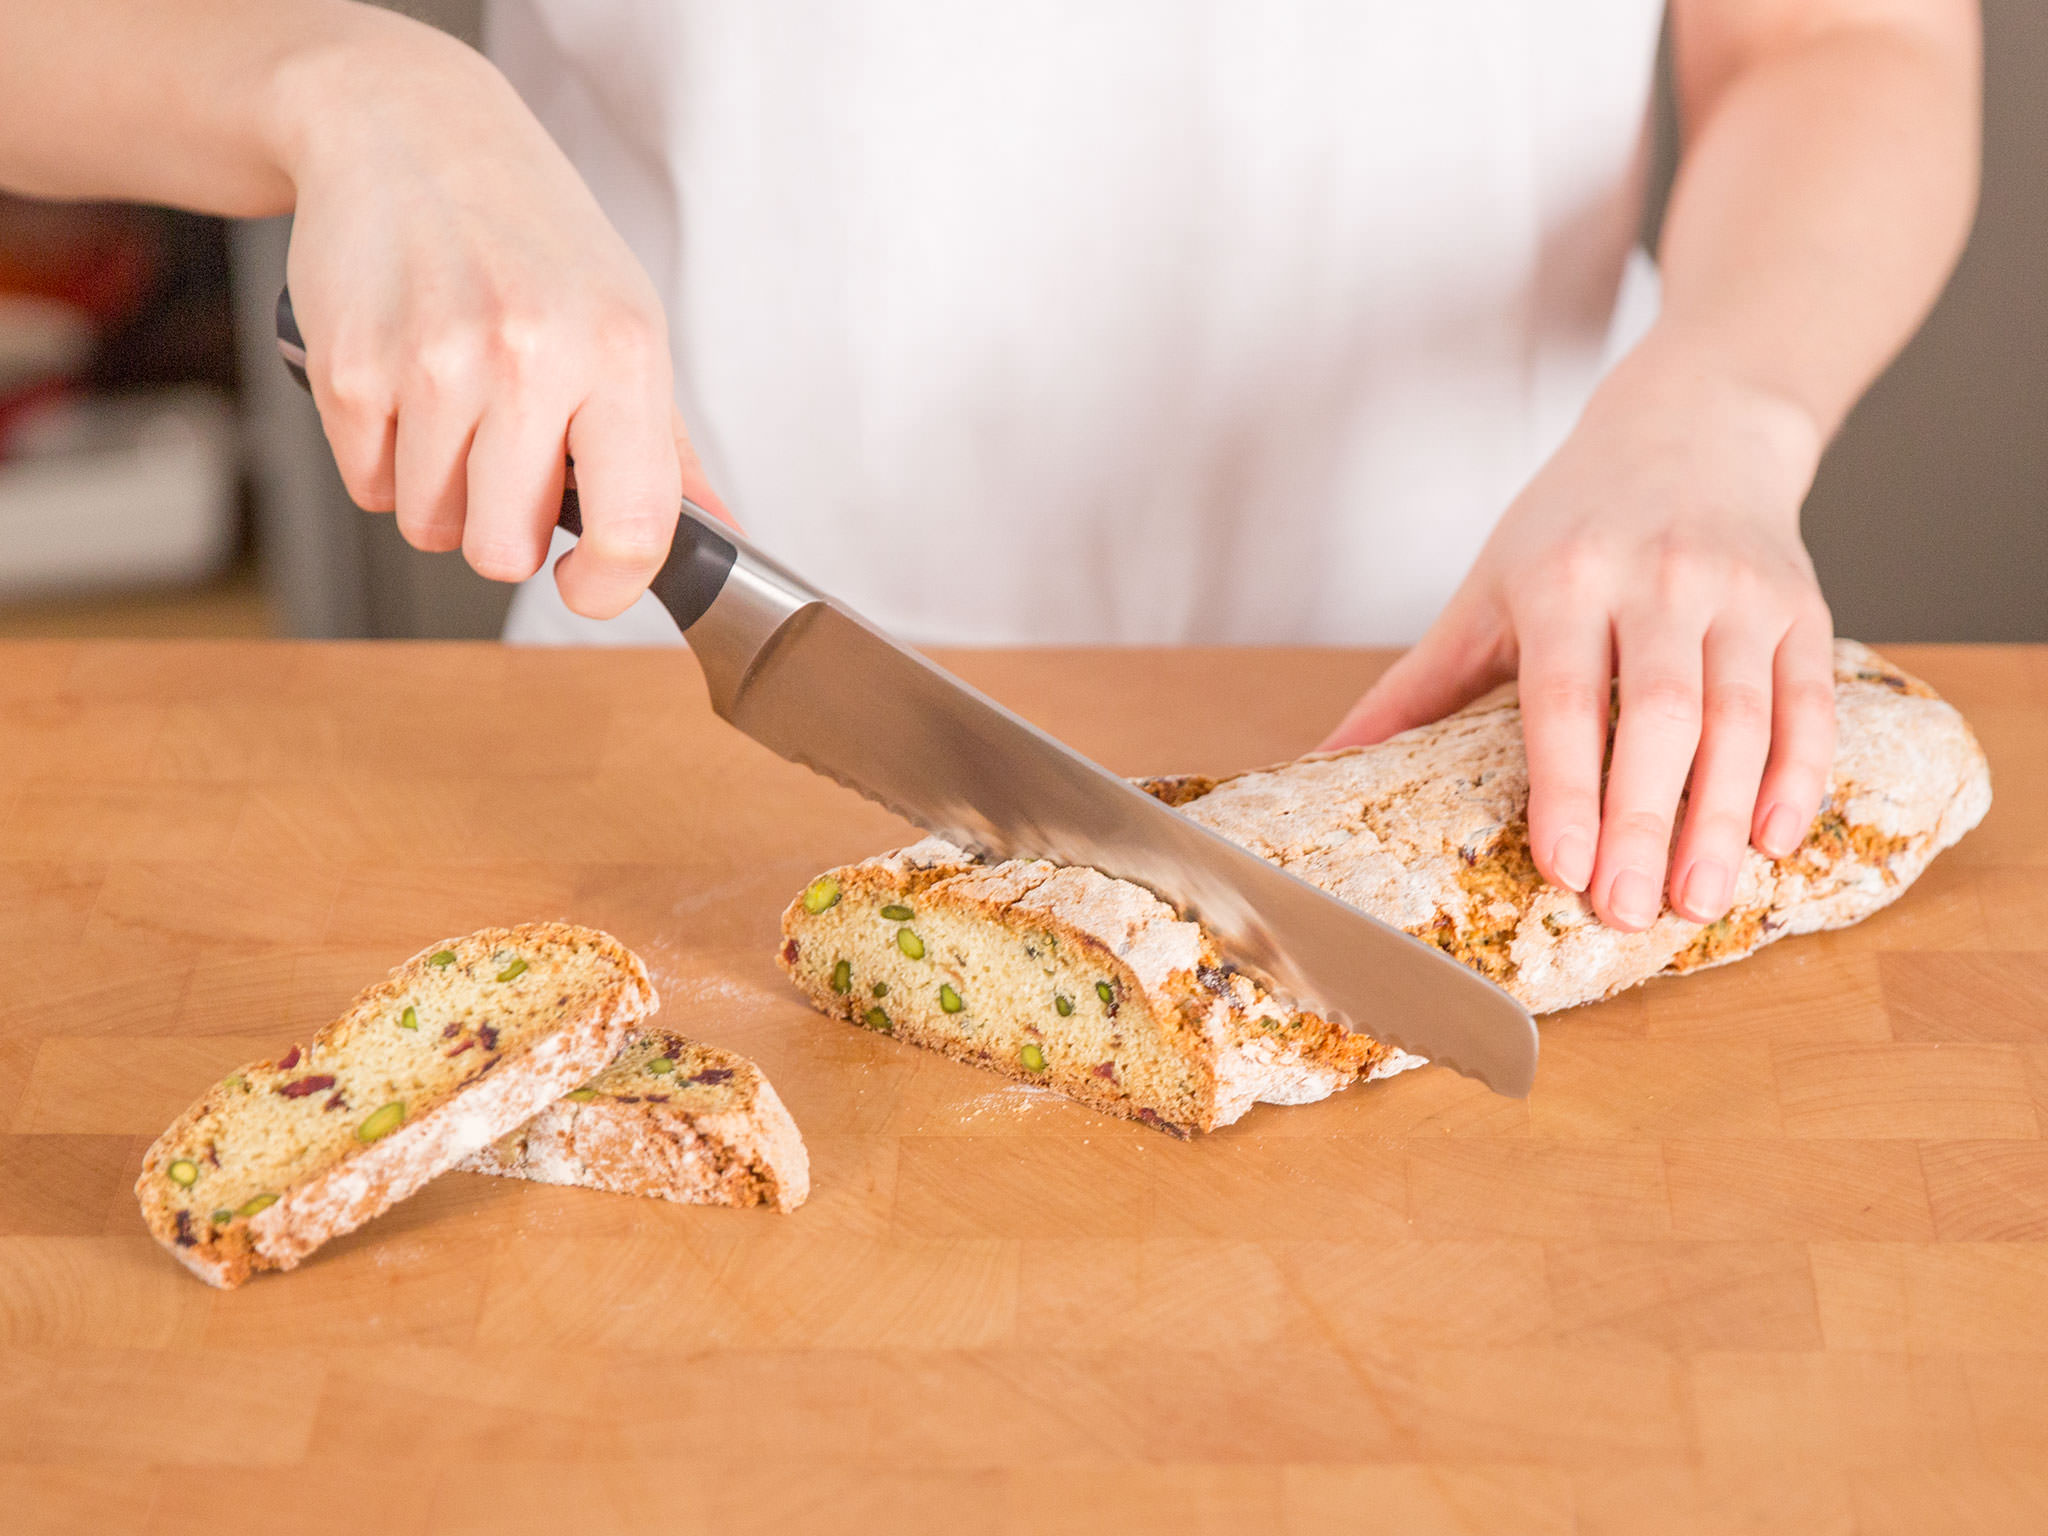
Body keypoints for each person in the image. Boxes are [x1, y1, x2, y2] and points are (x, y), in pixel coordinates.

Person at [0, 0, 1981, 935]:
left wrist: (1715, 404)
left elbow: (1847, 47)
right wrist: (348, 89)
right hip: (670, 773)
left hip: (1506, 755)